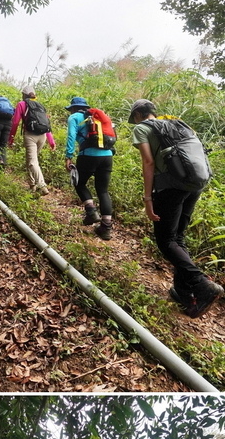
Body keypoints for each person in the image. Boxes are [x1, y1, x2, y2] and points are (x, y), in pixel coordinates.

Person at [129, 99, 223, 318]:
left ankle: (201, 283)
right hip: (194, 183)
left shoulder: (142, 129)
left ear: (138, 114)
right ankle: (185, 294)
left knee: (166, 241)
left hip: (170, 187)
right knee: (178, 238)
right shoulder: (177, 123)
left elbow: (149, 163)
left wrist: (147, 198)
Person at [65, 96, 115, 240]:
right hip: (107, 156)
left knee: (79, 183)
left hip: (88, 155)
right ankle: (106, 228)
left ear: (73, 108)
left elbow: (71, 136)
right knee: (103, 191)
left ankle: (91, 212)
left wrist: (68, 156)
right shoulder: (97, 117)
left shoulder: (74, 117)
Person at [8, 86, 55, 193]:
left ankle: (42, 185)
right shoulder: (40, 105)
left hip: (30, 135)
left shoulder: (22, 104)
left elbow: (15, 122)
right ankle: (32, 185)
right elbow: (46, 123)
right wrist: (51, 141)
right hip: (42, 136)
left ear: (24, 95)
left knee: (32, 162)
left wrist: (11, 139)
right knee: (30, 160)